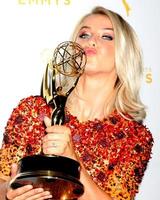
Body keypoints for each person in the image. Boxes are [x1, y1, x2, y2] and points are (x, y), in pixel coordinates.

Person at [0, 6, 153, 200]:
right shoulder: (33, 111)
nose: (91, 40)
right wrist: (8, 191)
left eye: (106, 36)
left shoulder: (134, 138)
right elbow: (3, 179)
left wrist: (71, 156)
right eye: (84, 34)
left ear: (125, 53)